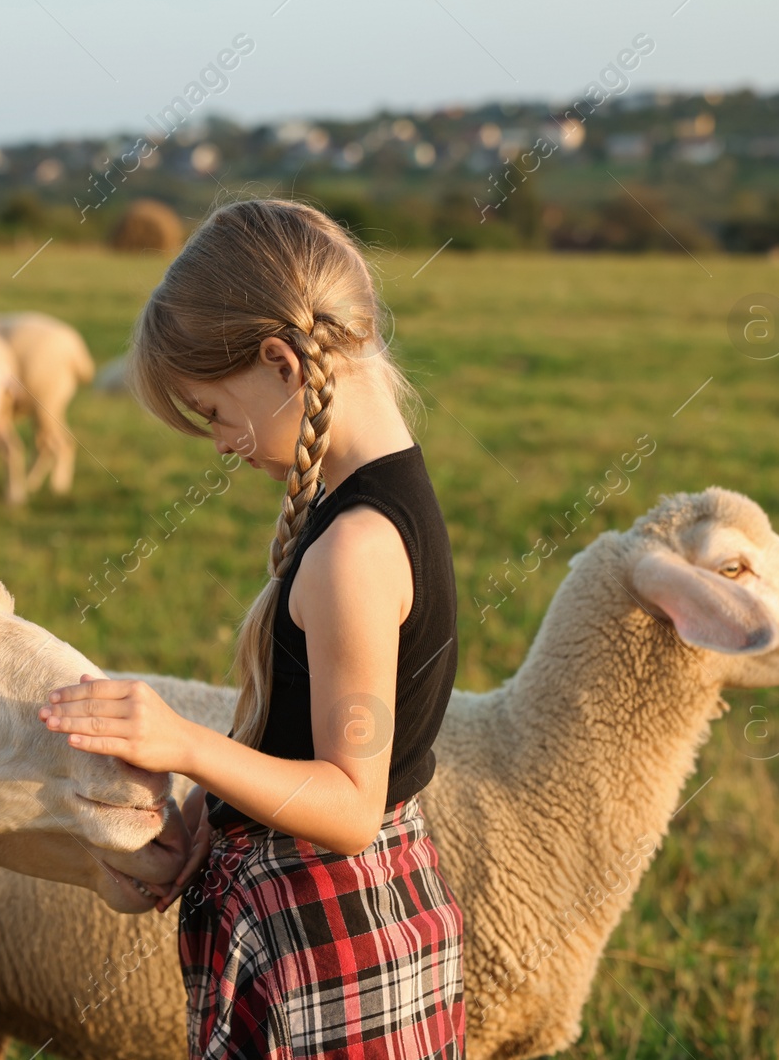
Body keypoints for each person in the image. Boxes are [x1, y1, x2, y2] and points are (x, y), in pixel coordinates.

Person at [39, 197, 465, 1059]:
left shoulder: (356, 549)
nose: (221, 442)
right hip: (348, 922)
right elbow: (310, 735)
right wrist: (212, 805)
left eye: (212, 412)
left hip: (329, 940)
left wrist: (183, 742)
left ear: (280, 364)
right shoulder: (376, 501)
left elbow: (348, 804)